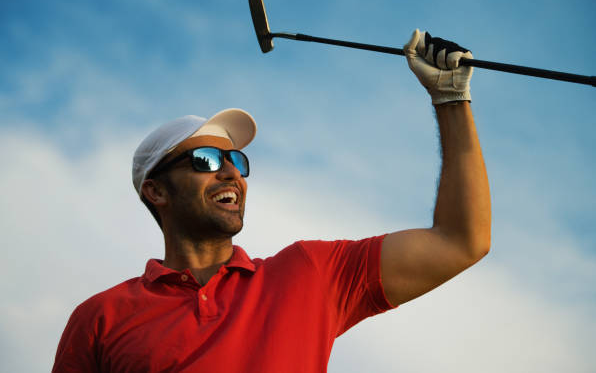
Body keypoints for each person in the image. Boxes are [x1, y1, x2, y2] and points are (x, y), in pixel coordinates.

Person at [53, 29, 491, 372]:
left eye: (235, 160)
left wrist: (451, 99)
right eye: (205, 159)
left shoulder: (309, 273)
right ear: (157, 190)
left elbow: (461, 241)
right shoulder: (100, 318)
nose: (229, 172)